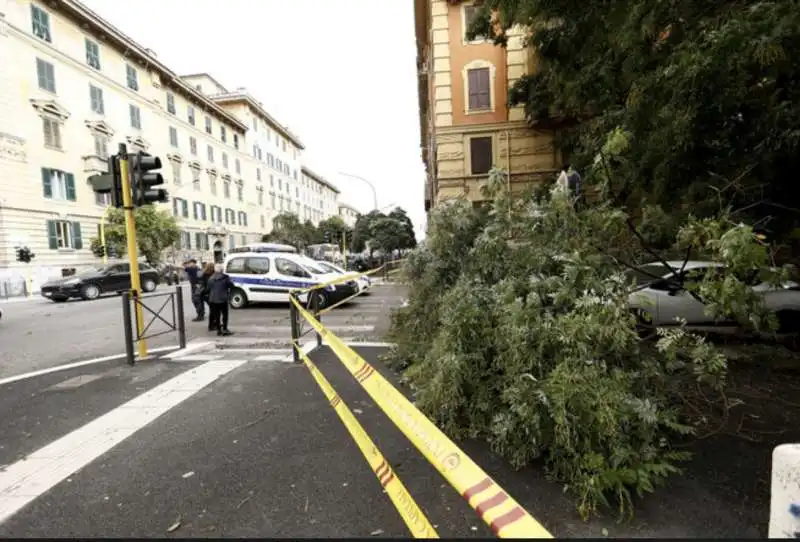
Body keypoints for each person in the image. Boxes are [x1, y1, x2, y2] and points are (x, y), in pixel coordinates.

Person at [206, 263, 234, 336]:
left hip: (213, 299)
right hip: (223, 298)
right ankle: (225, 329)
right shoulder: (225, 277)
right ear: (222, 270)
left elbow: (208, 289)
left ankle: (219, 330)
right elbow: (231, 285)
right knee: (225, 314)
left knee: (216, 315)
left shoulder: (211, 278)